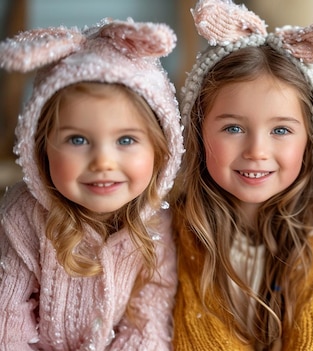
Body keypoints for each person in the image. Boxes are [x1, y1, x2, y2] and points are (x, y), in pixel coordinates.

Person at [170, 0, 313, 349]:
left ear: (311, 139)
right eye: (233, 128)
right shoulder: (179, 229)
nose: (256, 151)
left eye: (281, 131)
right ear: (198, 131)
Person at [0, 19, 184, 349]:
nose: (102, 162)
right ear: (40, 147)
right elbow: (7, 319)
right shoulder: (21, 215)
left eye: (126, 139)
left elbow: (148, 321)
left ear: (160, 150)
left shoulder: (157, 224)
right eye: (78, 139)